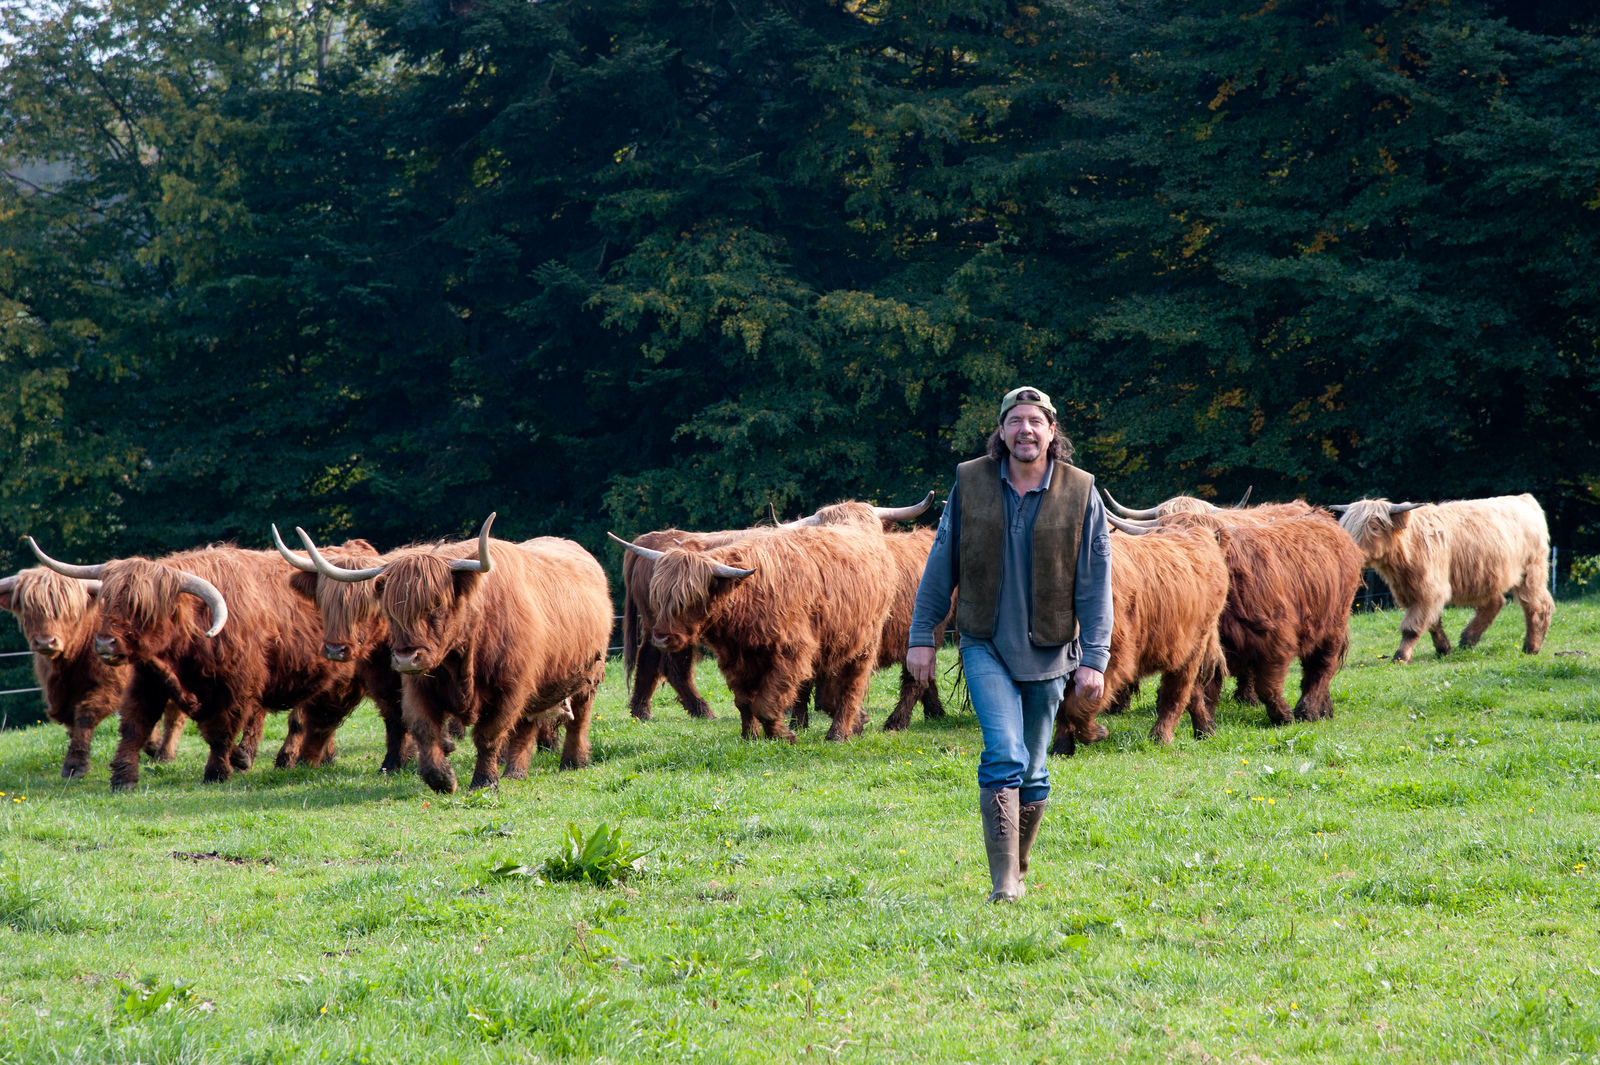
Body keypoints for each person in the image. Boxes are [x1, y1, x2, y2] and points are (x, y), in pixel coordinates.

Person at [907, 386, 1112, 902]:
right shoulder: (970, 481)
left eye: (1035, 421)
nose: (1025, 430)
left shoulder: (1080, 489)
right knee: (1004, 754)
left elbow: (1095, 580)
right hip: (984, 644)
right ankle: (1004, 887)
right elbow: (940, 563)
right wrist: (922, 637)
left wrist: (1095, 657)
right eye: (1015, 420)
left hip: (1051, 651)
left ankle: (1017, 866)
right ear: (1000, 431)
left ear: (1051, 431)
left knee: (1035, 771)